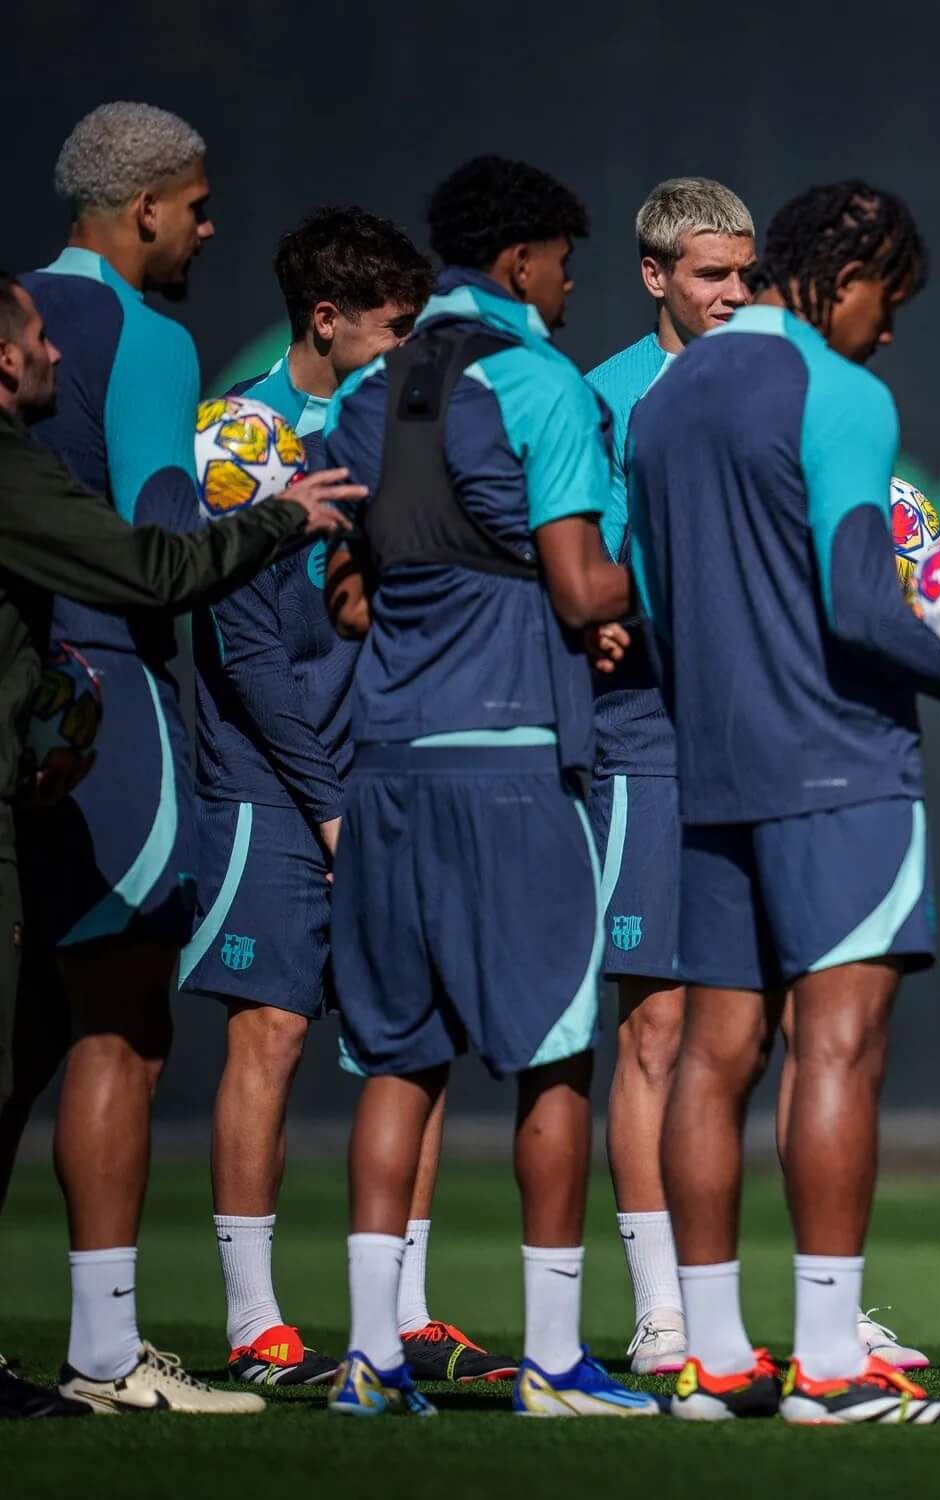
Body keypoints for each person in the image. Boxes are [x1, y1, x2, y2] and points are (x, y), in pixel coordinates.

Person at [638, 181, 940, 1423]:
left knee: (712, 1059)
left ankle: (711, 1363)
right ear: (844, 275)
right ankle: (830, 1366)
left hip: (706, 771)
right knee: (839, 1050)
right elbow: (862, 606)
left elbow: (647, 605)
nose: (891, 327)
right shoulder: (844, 393)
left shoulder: (661, 398)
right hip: (836, 763)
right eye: (889, 297)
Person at [17, 100, 354, 1416]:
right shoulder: (143, 335)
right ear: (144, 207)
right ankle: (106, 1352)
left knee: (23, 1030)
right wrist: (277, 519)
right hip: (103, 696)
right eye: (199, 205)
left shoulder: (14, 316)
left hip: (14, 693)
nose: (212, 227)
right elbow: (163, 533)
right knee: (123, 1026)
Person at [318, 155, 654, 1419]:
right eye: (564, 264)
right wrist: (673, 571)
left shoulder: (365, 391)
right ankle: (557, 1364)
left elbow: (349, 592)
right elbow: (581, 586)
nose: (570, 288)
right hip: (514, 766)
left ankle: (367, 1357)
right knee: (557, 1058)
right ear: (519, 265)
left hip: (388, 759)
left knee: (397, 1063)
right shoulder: (543, 385)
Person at [181, 204, 503, 1388]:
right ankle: (255, 1323)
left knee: (406, 1044)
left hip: (392, 779)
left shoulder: (399, 431)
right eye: (394, 325)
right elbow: (248, 654)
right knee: (269, 1034)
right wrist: (324, 805)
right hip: (271, 786)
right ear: (327, 319)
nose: (411, 345)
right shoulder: (239, 439)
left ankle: (406, 1315)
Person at [582, 176, 752, 1378]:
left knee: (753, 1033)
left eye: (746, 275)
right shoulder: (599, 401)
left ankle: (768, 1298)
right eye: (710, 276)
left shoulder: (774, 385)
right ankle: (662, 1310)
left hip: (758, 744)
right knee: (654, 1033)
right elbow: (585, 576)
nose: (735, 295)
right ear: (655, 278)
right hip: (642, 739)